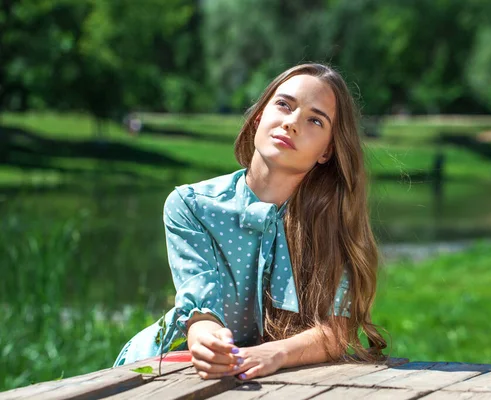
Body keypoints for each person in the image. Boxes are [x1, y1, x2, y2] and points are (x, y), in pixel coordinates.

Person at [113, 63, 387, 380]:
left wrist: (277, 352)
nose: (292, 123)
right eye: (284, 104)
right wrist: (208, 340)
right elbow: (201, 310)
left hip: (258, 373)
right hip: (165, 367)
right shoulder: (192, 206)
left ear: (327, 151)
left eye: (315, 120)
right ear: (259, 116)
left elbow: (335, 332)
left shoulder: (330, 222)